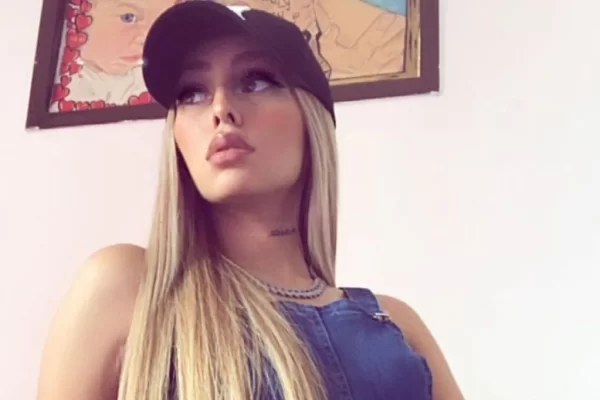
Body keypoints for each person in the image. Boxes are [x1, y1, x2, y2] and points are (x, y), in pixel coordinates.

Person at [36, 2, 463, 400]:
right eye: (192, 93)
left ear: (311, 118)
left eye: (255, 80)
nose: (221, 108)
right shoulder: (130, 290)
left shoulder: (397, 325)